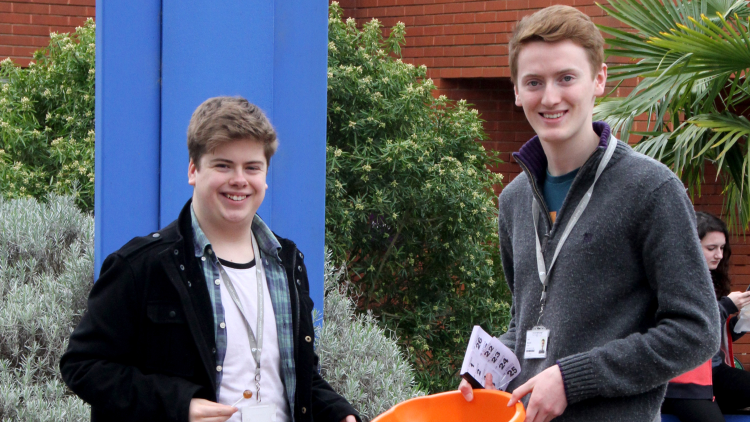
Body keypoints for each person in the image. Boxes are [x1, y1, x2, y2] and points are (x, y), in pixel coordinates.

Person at [458, 5, 720, 422]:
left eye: (566, 78)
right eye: (533, 82)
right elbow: (529, 323)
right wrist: (490, 367)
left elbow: (697, 331)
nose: (550, 97)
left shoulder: (651, 189)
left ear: (599, 79)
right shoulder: (512, 200)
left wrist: (574, 378)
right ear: (515, 90)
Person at [60, 97, 360, 422]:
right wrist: (180, 405)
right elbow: (83, 366)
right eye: (223, 165)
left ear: (265, 176)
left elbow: (296, 375)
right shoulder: (141, 265)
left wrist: (340, 413)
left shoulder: (287, 262)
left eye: (252, 167)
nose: (239, 180)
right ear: (193, 169)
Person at [693, 212, 750, 414]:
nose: (719, 255)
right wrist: (726, 305)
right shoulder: (681, 281)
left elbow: (716, 337)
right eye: (711, 248)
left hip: (714, 370)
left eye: (722, 248)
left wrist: (744, 320)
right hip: (693, 379)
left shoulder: (710, 279)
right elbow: (693, 328)